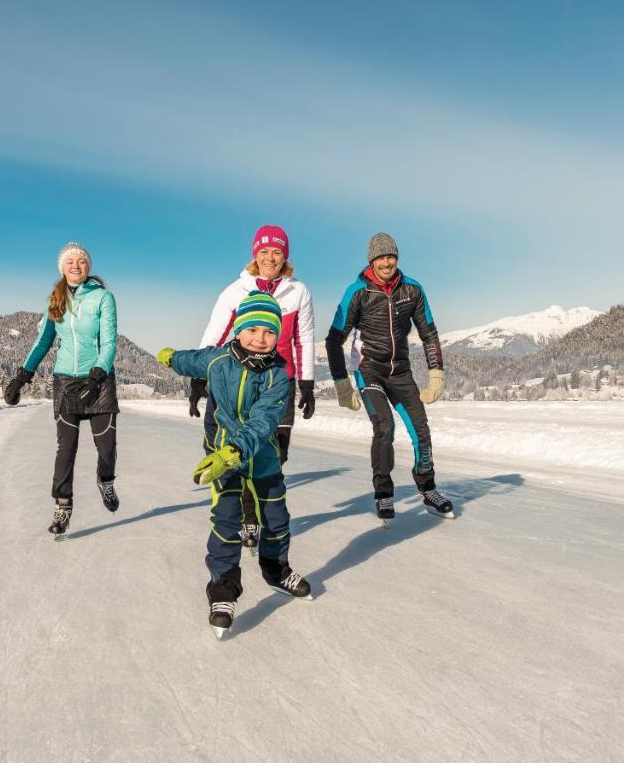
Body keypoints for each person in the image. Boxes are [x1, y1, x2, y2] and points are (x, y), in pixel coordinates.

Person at [157, 292, 312, 638]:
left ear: (277, 336)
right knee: (226, 521)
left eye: (269, 332)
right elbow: (193, 360)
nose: (260, 338)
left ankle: (275, 570)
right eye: (253, 329)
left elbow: (264, 420)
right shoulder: (218, 361)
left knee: (276, 520)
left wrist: (236, 450)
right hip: (221, 459)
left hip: (262, 459)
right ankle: (223, 588)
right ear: (239, 331)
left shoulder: (277, 376)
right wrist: (171, 358)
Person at [191, 225, 316, 553]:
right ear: (254, 254)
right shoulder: (236, 290)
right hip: (238, 382)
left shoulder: (298, 291)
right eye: (264, 252)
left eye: (277, 252)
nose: (270, 258)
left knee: (277, 452)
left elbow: (303, 337)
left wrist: (307, 383)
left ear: (285, 256)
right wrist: (199, 378)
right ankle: (249, 518)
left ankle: (261, 508)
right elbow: (215, 333)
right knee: (243, 446)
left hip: (279, 382)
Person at [325, 232, 454, 523]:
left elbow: (429, 332)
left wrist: (436, 374)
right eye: (380, 257)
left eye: (391, 256)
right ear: (372, 260)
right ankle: (383, 493)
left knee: (421, 428)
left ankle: (428, 487)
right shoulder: (357, 292)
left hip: (400, 371)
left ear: (397, 257)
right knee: (385, 426)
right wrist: (341, 382)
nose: (386, 262)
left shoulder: (413, 289)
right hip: (369, 369)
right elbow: (334, 339)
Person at [4, 242, 120, 536]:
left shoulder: (104, 298)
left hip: (99, 380)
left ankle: (105, 481)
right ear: (62, 267)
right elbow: (43, 342)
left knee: (106, 449)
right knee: (65, 448)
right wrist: (22, 376)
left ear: (88, 267)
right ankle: (62, 505)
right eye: (70, 262)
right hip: (66, 381)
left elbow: (109, 342)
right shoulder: (54, 300)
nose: (76, 265)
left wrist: (98, 372)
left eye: (81, 261)